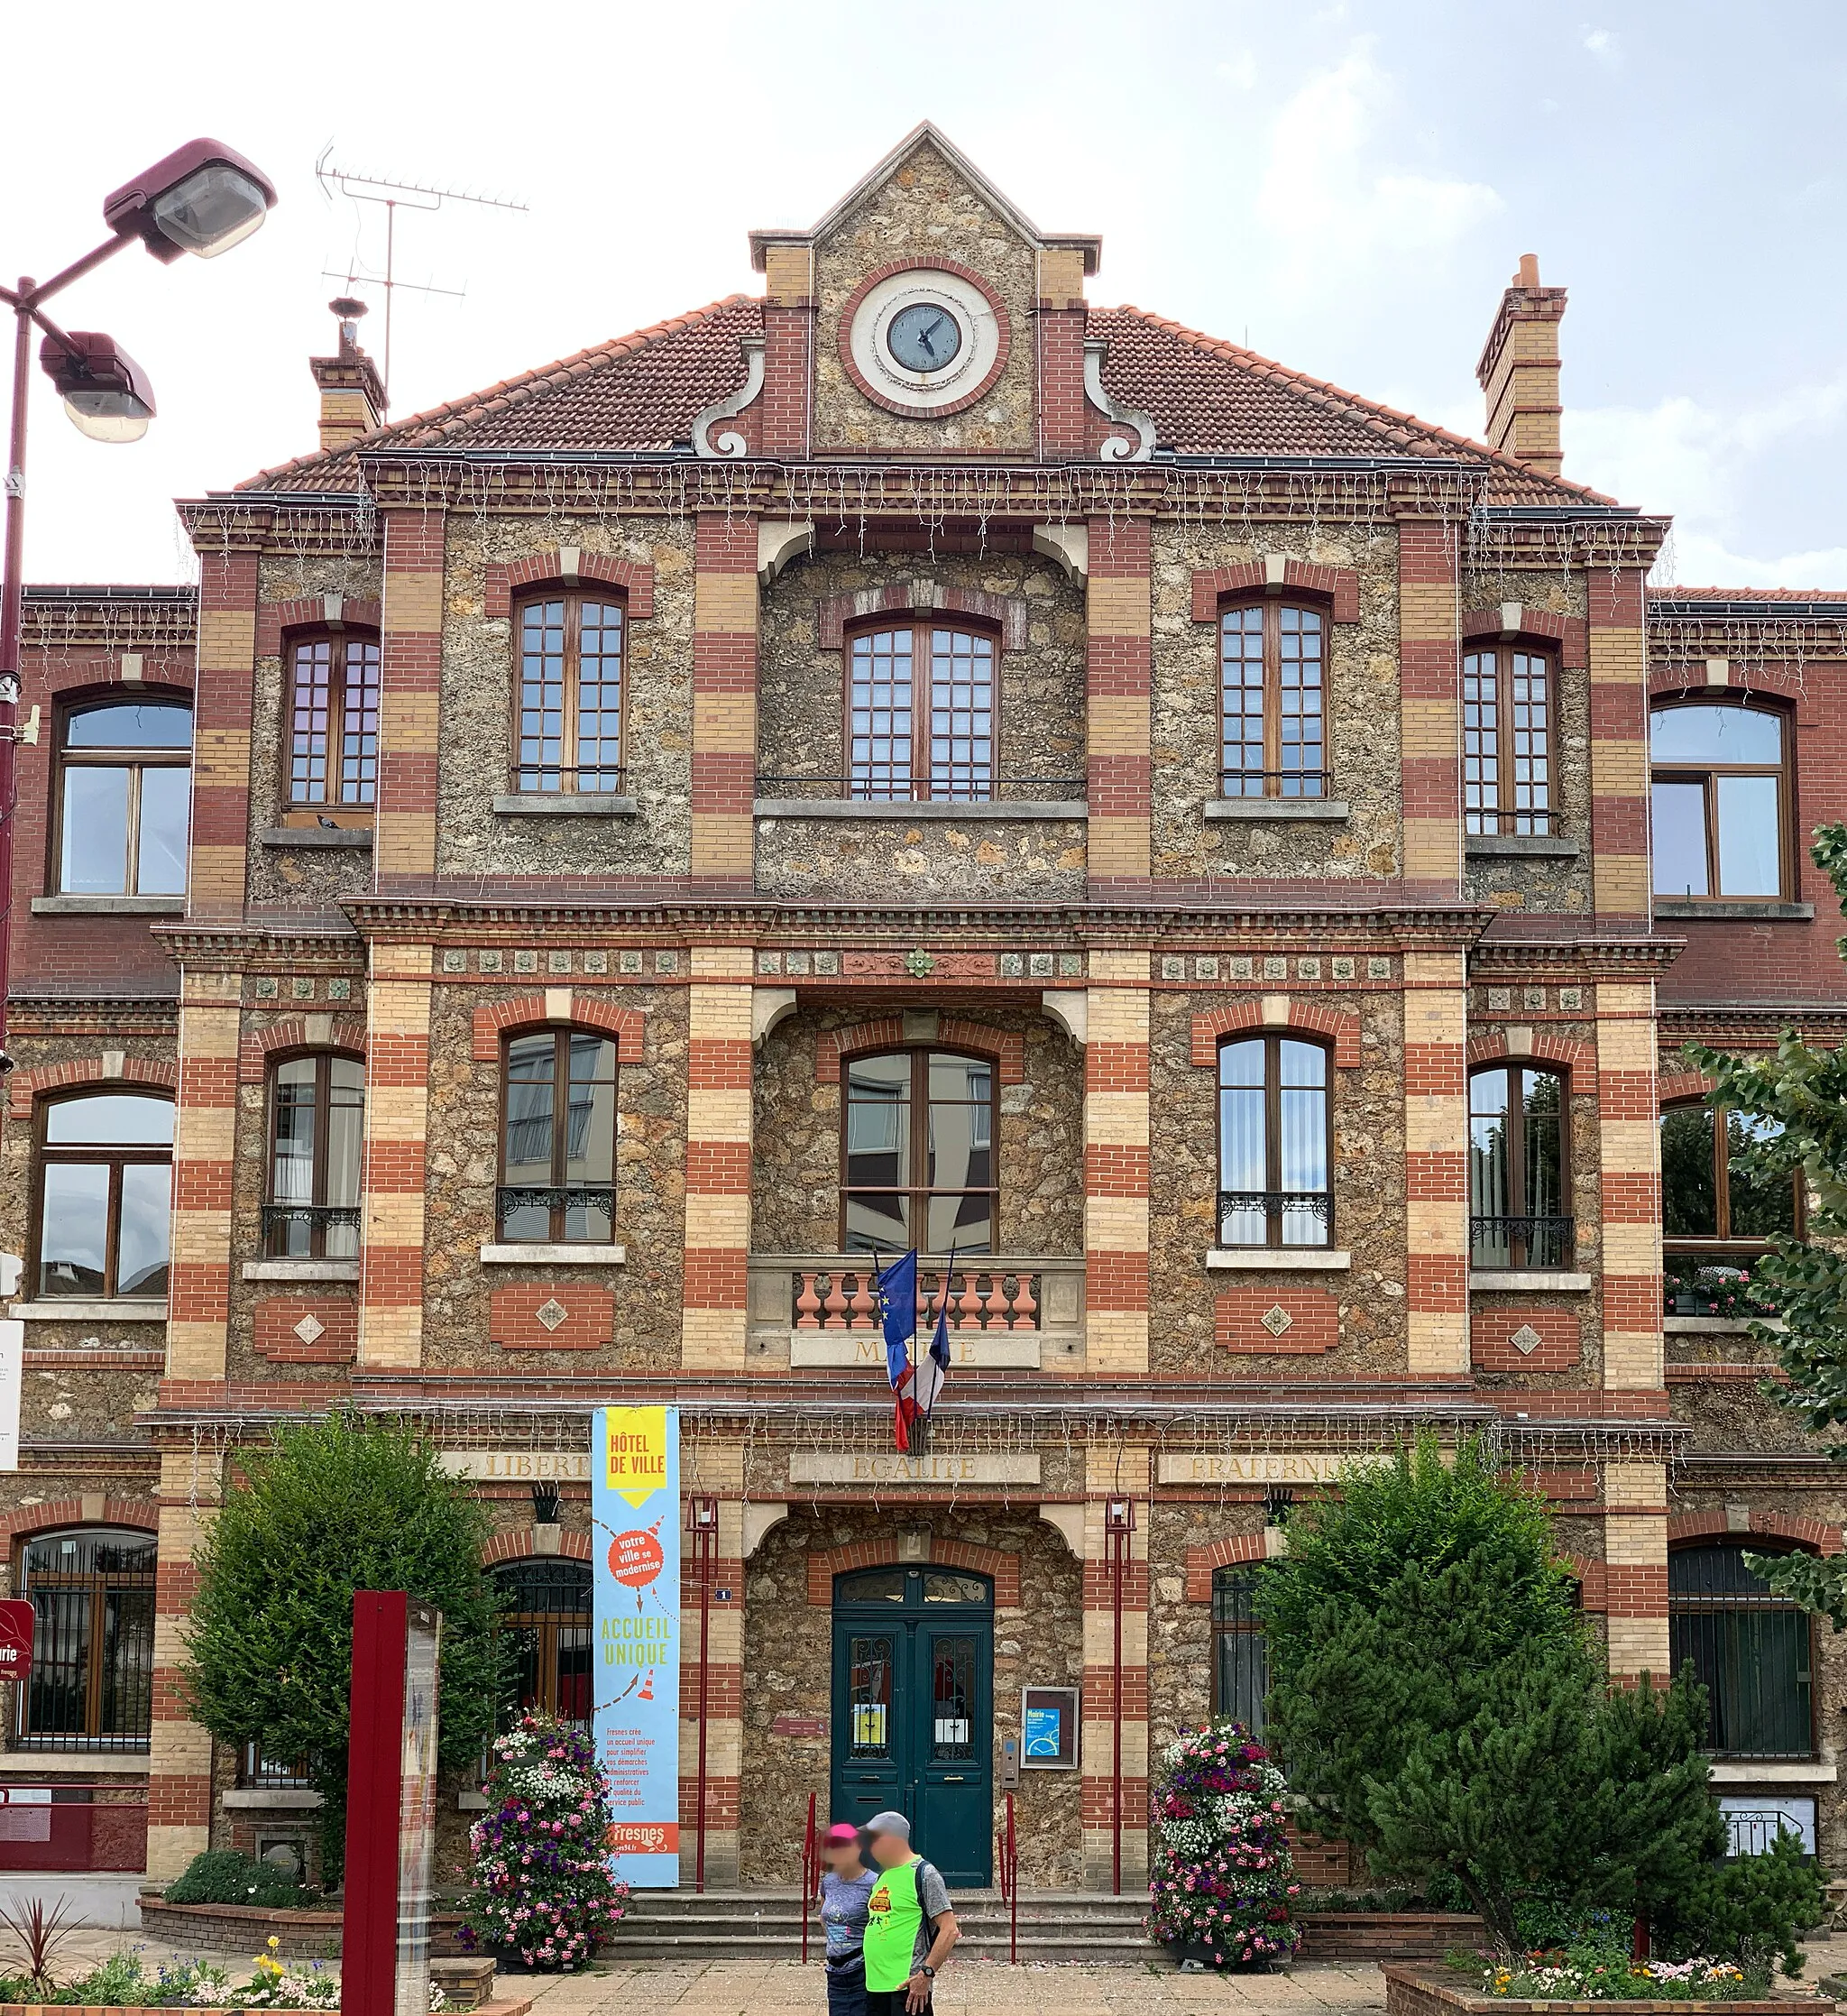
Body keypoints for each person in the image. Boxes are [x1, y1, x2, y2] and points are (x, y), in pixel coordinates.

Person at [860, 1810, 959, 2016]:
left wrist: (926, 1974)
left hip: (908, 1989)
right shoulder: (883, 1877)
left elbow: (949, 1930)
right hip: (875, 1987)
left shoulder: (924, 1874)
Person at [819, 1821, 876, 2016]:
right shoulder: (829, 1882)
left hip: (862, 1969)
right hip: (834, 1972)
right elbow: (824, 1916)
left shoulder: (874, 1883)